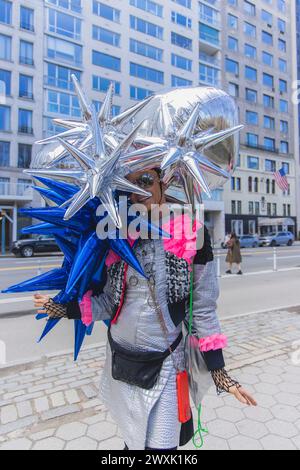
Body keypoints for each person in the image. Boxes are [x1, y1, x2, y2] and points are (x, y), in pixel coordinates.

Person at [34, 169, 256, 451]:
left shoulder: (192, 233)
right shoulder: (116, 235)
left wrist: (220, 373)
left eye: (145, 180)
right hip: (122, 363)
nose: (136, 190)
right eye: (127, 182)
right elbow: (106, 303)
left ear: (164, 183)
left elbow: (203, 309)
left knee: (161, 449)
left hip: (165, 365)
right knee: (132, 444)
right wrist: (61, 308)